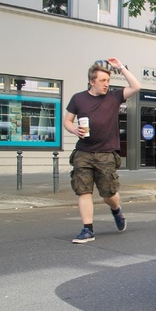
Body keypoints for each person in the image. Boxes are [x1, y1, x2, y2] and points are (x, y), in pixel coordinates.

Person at [63, 57, 141, 244]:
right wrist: (74, 130)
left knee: (108, 194)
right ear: (92, 81)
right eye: (102, 81)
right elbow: (67, 120)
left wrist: (120, 67)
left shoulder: (114, 97)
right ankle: (87, 230)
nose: (106, 84)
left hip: (106, 153)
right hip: (83, 152)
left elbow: (136, 86)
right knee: (83, 191)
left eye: (108, 81)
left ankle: (116, 210)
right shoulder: (78, 98)